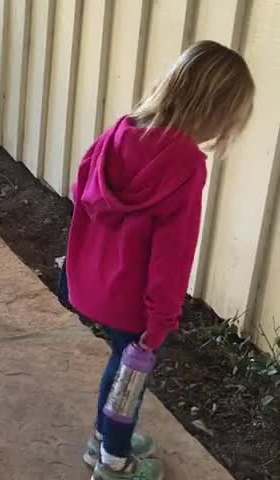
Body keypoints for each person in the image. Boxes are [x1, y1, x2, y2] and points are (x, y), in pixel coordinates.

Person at [64, 40, 255, 480]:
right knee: (128, 377)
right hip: (134, 304)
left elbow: (80, 199)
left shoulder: (118, 133)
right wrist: (161, 320)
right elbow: (173, 254)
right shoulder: (186, 163)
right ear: (215, 109)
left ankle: (102, 439)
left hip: (92, 284)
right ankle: (113, 461)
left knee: (117, 366)